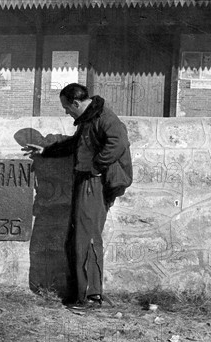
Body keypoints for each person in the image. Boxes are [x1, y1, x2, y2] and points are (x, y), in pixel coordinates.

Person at [22, 83, 132, 309]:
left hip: (95, 182)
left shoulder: (105, 118)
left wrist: (96, 166)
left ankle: (91, 296)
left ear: (76, 103)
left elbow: (118, 142)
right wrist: (46, 151)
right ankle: (81, 293)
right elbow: (75, 144)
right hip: (86, 180)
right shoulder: (89, 120)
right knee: (77, 236)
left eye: (67, 107)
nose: (66, 112)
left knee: (88, 236)